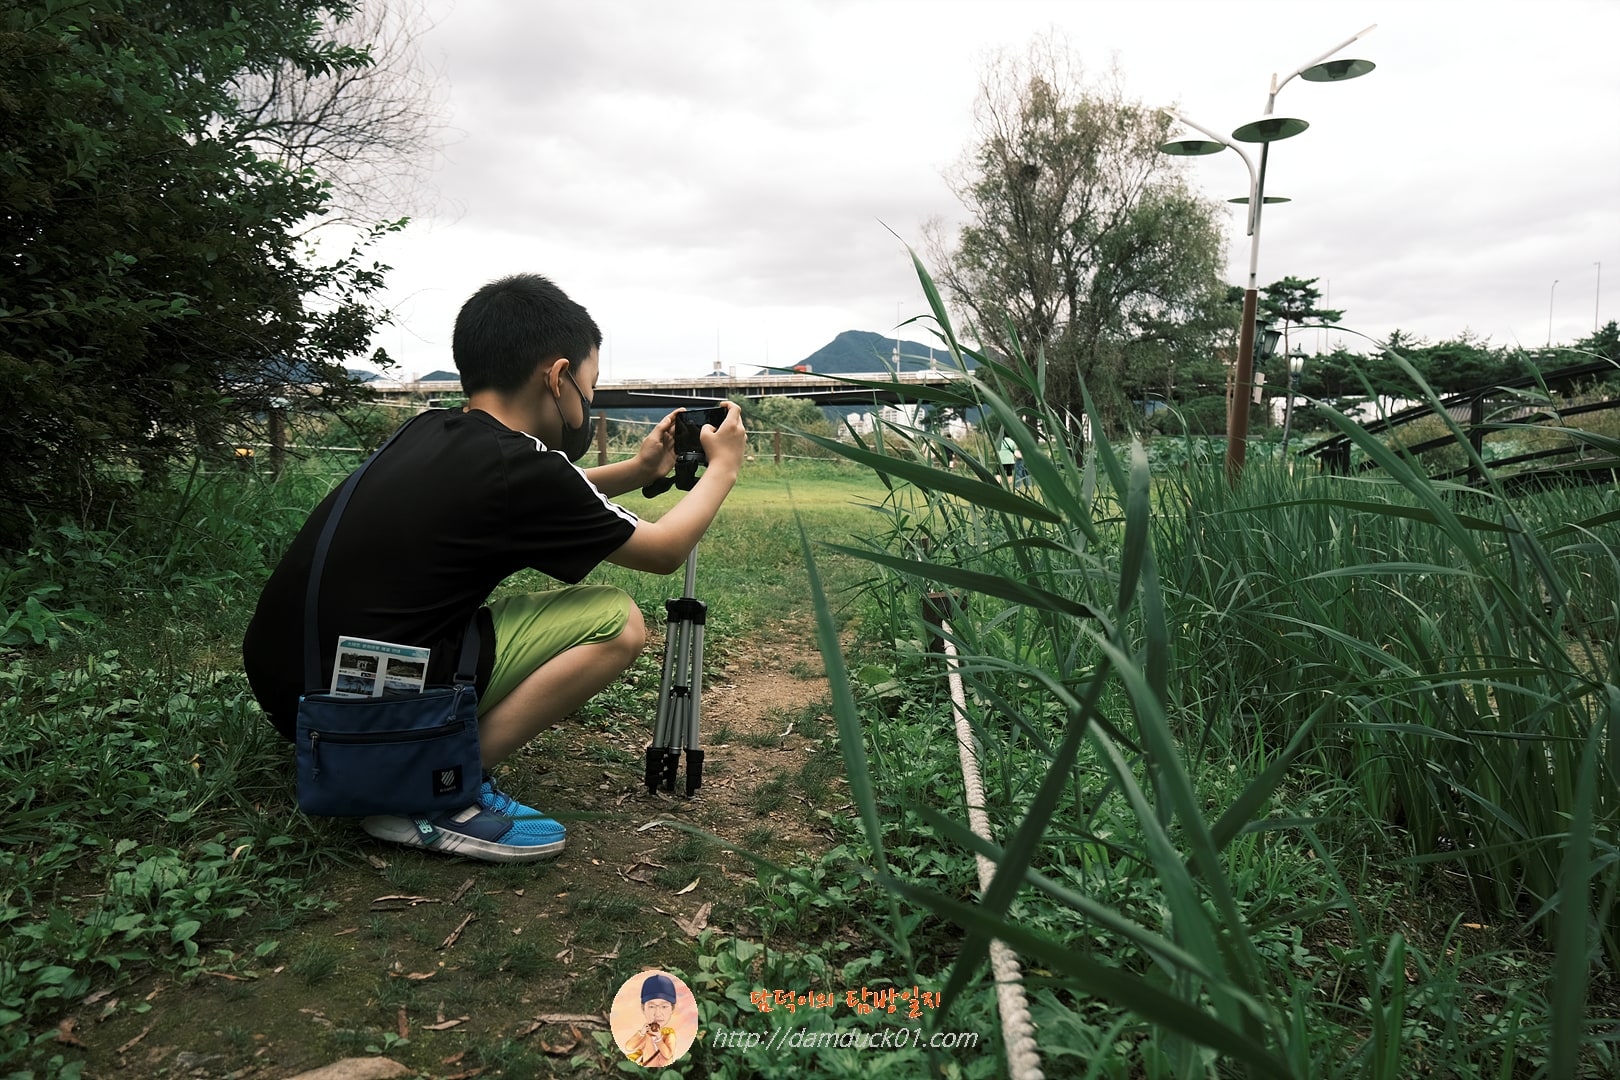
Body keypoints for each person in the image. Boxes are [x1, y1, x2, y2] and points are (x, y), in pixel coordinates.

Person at [242, 273, 747, 863]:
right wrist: (724, 468)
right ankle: (428, 791)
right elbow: (663, 551)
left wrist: (637, 471)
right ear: (557, 378)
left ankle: (395, 762)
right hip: (358, 706)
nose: (585, 405)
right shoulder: (523, 467)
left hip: (293, 687)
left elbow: (551, 493)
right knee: (616, 620)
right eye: (588, 388)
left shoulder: (432, 429)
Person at [622, 973, 680, 1067]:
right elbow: (629, 1047)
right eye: (652, 1006)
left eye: (664, 1006)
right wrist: (641, 1033)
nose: (657, 1013)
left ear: (672, 1009)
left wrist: (659, 1039)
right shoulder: (647, 1034)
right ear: (643, 1008)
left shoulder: (669, 1035)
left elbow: (668, 1055)